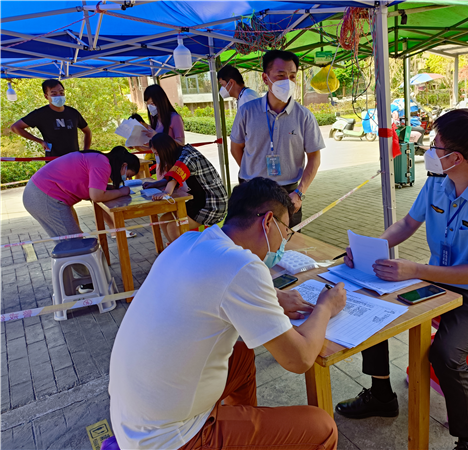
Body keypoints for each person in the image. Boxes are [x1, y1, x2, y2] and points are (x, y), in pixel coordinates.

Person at [109, 177, 347, 450]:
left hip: (134, 418)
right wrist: (325, 306)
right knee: (321, 428)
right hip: (170, 439)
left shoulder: (189, 242)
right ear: (268, 221)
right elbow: (299, 359)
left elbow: (209, 290)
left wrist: (274, 299)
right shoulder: (242, 265)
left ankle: (242, 437)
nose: (284, 243)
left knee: (242, 356)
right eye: (285, 231)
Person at [335, 109, 468, 450]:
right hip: (439, 280)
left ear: (455, 157)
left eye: (436, 145)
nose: (428, 149)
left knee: (446, 354)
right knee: (372, 302)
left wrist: (416, 270)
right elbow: (407, 224)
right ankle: (381, 394)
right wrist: (370, 249)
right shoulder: (439, 182)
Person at [230, 50, 325, 228]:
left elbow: (314, 157)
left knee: (288, 247)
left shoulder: (304, 116)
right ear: (265, 78)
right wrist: (253, 171)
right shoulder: (247, 112)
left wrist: (299, 193)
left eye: (292, 76)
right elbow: (236, 147)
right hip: (251, 190)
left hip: (287, 193)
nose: (287, 82)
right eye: (281, 75)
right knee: (250, 247)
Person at [23, 146, 140, 239]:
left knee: (74, 242)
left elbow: (93, 188)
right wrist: (122, 192)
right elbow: (97, 196)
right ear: (124, 165)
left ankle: (82, 269)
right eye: (128, 175)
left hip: (41, 193)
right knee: (74, 245)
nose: (127, 179)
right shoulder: (102, 163)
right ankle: (84, 269)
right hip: (43, 196)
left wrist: (111, 189)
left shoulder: (99, 159)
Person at [142, 133, 228, 243]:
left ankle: (183, 255)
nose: (156, 157)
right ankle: (174, 251)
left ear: (165, 150)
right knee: (163, 220)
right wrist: (157, 184)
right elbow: (174, 177)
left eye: (157, 153)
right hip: (199, 202)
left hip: (212, 205)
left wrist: (166, 192)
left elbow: (176, 174)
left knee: (173, 227)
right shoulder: (181, 153)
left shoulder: (187, 156)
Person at [11, 79, 92, 158]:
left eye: (61, 92)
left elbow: (87, 132)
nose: (59, 96)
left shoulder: (73, 113)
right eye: (54, 94)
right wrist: (40, 141)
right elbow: (15, 127)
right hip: (53, 161)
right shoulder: (40, 114)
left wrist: (85, 153)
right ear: (46, 96)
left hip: (73, 159)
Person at [131, 84, 186, 155]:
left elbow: (181, 143)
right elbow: (153, 149)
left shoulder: (175, 117)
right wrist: (136, 146)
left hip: (173, 162)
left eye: (152, 103)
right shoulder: (154, 119)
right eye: (148, 104)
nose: (150, 107)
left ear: (161, 101)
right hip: (160, 162)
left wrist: (159, 137)